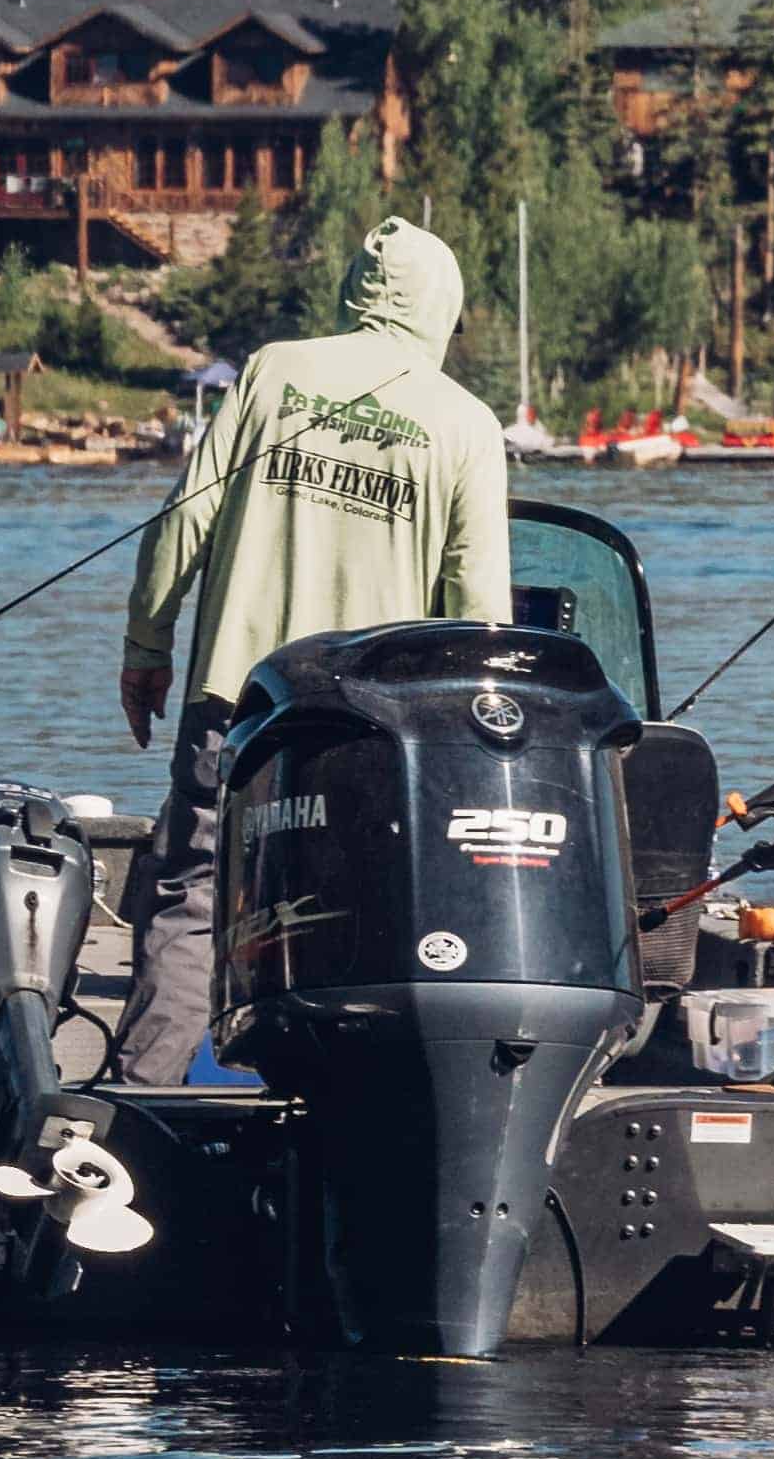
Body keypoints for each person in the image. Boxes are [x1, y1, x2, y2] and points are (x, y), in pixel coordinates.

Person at [100, 214, 509, 1083]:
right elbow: (479, 611)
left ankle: (140, 1102)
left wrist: (147, 645)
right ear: (443, 308)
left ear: (355, 295)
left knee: (193, 901)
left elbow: (185, 522)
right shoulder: (465, 422)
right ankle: (334, 1106)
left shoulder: (276, 371)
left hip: (236, 702)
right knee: (359, 908)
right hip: (371, 729)